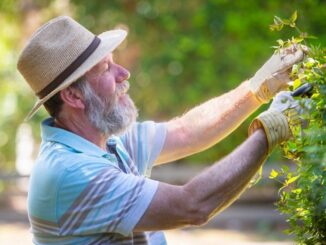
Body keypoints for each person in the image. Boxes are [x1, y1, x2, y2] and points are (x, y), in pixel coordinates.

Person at [17, 16, 305, 244]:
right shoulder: (73, 173)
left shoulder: (102, 139)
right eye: (105, 68)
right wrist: (270, 130)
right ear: (74, 97)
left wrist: (257, 88)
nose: (123, 74)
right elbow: (191, 206)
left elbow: (186, 131)